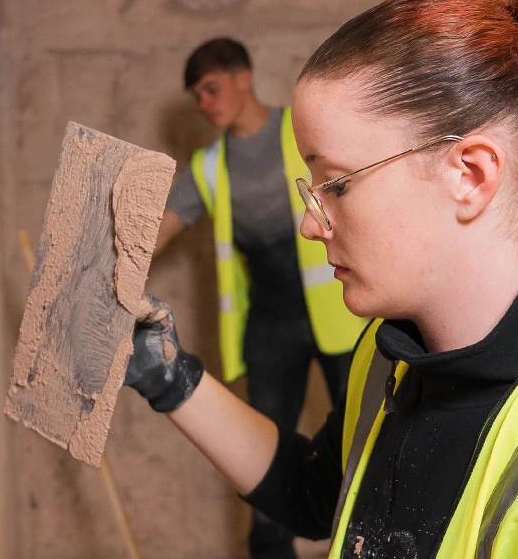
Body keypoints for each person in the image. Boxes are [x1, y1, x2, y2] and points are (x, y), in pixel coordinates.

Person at [123, 0, 518, 557]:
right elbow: (317, 493)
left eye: (335, 184)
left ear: (469, 175)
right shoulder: (396, 351)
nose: (311, 223)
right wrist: (170, 378)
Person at [156, 37, 372, 557]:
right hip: (270, 327)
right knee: (261, 453)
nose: (206, 104)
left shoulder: (299, 135)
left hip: (338, 315)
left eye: (211, 88)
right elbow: (158, 229)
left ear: (243, 76)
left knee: (365, 445)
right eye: (197, 97)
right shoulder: (208, 166)